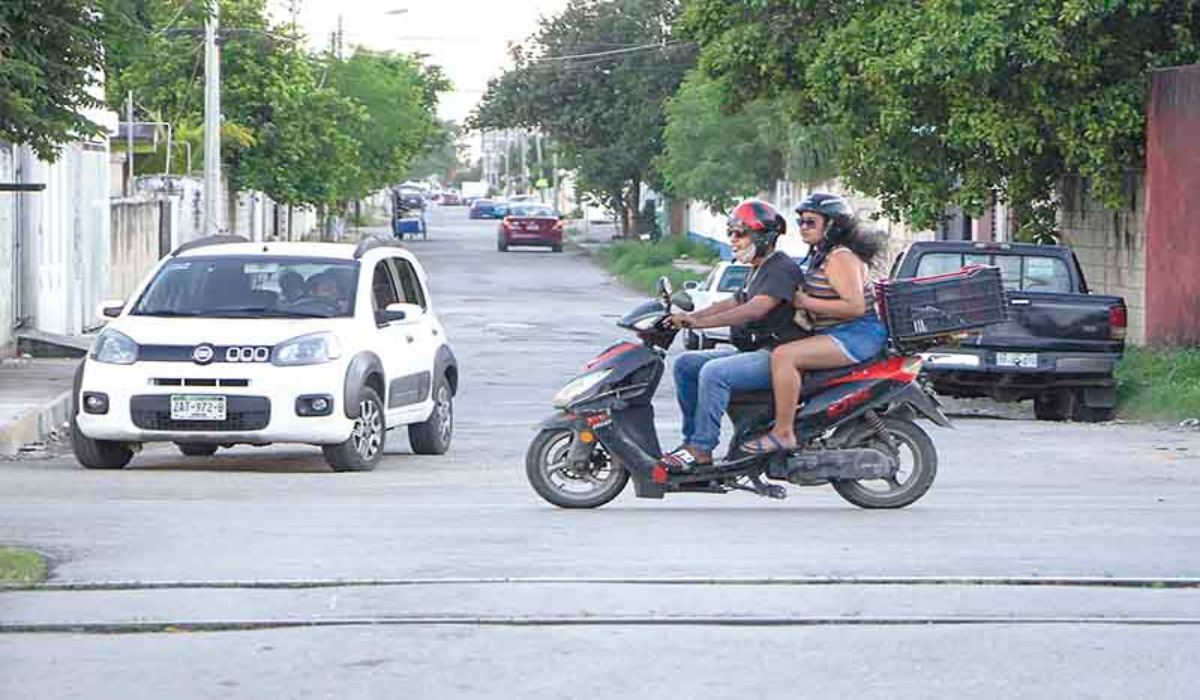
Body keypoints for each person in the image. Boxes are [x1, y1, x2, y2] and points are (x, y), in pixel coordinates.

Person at [660, 199, 806, 471]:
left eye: (741, 233)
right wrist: (692, 317)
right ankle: (690, 441)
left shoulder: (781, 268)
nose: (733, 240)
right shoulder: (758, 269)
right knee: (685, 364)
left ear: (763, 237)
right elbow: (734, 301)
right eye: (731, 234)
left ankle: (701, 448)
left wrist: (697, 325)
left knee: (714, 373)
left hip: (775, 355)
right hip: (754, 351)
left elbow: (754, 309)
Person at [742, 192, 887, 454]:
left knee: (784, 356)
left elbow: (854, 307)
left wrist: (804, 302)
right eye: (800, 223)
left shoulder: (841, 257)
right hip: (835, 332)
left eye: (810, 222)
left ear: (833, 225)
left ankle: (783, 433)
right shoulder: (821, 255)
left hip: (857, 334)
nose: (803, 228)